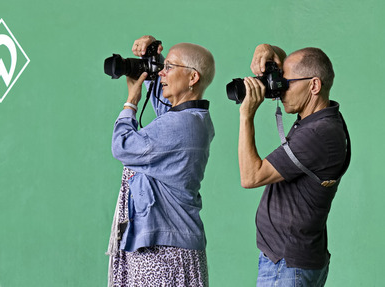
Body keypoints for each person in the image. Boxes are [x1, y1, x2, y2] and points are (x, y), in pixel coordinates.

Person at [107, 35, 215, 286]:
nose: (162, 74)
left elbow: (122, 145)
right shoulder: (192, 119)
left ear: (193, 77)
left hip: (164, 253)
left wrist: (130, 102)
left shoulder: (180, 125)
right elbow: (164, 105)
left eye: (169, 68)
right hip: (167, 246)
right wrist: (151, 60)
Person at [238, 44, 350, 286]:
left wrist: (246, 116)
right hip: (292, 260)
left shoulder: (317, 134)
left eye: (286, 83)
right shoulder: (322, 118)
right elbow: (294, 62)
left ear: (314, 85)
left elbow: (250, 176)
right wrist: (267, 49)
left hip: (288, 266)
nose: (280, 91)